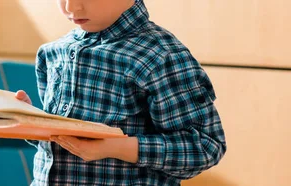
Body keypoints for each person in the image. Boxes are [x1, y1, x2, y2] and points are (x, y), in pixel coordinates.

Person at [14, 0, 227, 185]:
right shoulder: (52, 52)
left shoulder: (160, 55)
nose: (71, 7)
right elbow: (60, 144)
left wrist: (118, 148)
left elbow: (205, 147)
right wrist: (31, 122)